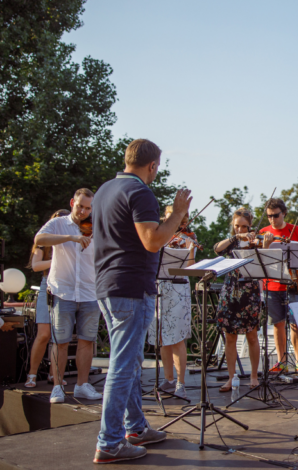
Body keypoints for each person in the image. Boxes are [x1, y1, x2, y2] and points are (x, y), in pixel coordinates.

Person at [92, 138, 192, 463]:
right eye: (157, 168)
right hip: (132, 287)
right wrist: (177, 214)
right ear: (152, 166)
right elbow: (152, 241)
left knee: (131, 362)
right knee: (123, 366)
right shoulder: (140, 193)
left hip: (108, 285)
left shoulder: (105, 190)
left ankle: (135, 427)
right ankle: (109, 442)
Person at [34, 190, 103, 404]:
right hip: (62, 291)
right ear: (72, 203)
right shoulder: (59, 224)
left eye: (88, 208)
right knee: (60, 341)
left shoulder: (97, 227)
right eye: (80, 206)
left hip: (90, 291)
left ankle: (82, 385)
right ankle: (57, 387)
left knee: (86, 340)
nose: (83, 211)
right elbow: (39, 239)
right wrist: (72, 237)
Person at [146, 206, 196, 399]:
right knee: (161, 337)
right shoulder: (159, 235)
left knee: (177, 338)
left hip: (178, 288)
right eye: (171, 219)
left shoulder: (188, 238)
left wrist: (186, 250)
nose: (176, 224)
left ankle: (181, 383)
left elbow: (191, 267)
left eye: (181, 221)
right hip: (158, 287)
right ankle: (168, 379)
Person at [212, 207, 264, 392]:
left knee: (252, 336)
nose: (240, 230)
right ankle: (231, 377)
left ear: (250, 226)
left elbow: (266, 256)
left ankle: (254, 376)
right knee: (230, 337)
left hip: (249, 293)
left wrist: (261, 242)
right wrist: (235, 238)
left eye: (244, 227)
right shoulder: (231, 243)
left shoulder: (255, 242)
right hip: (230, 292)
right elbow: (217, 248)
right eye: (236, 226)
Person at [260, 198, 298, 375]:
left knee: (296, 324)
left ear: (284, 213)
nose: (272, 220)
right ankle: (281, 362)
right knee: (278, 324)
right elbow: (261, 262)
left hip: (294, 283)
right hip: (272, 285)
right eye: (269, 216)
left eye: (276, 215)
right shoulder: (264, 232)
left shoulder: (296, 230)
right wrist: (266, 245)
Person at [24, 209, 70, 388]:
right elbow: (35, 266)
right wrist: (58, 260)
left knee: (59, 337)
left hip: (66, 288)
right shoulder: (43, 242)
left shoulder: (71, 241)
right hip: (47, 286)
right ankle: (32, 374)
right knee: (43, 334)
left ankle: (54, 375)